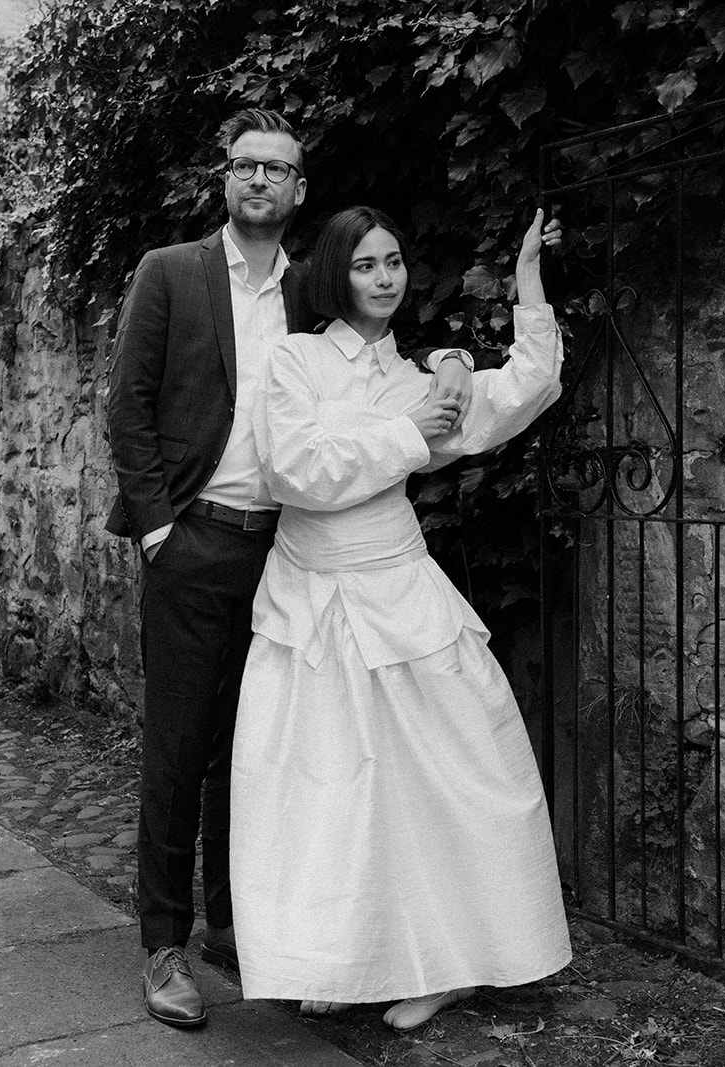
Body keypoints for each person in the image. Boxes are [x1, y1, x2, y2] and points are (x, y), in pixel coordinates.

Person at [105, 110, 474, 1029]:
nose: (259, 180)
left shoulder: (316, 287)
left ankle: (244, 925)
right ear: (225, 180)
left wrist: (458, 357)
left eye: (278, 169)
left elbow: (386, 356)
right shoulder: (172, 272)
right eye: (243, 166)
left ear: (300, 190)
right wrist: (159, 533)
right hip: (196, 541)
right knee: (180, 746)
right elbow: (128, 410)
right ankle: (163, 945)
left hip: (292, 549)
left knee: (262, 747)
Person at [230, 205, 573, 1031]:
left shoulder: (422, 377)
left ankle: (454, 962)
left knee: (453, 774)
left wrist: (527, 280)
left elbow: (521, 391)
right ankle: (341, 961)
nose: (385, 278)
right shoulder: (295, 359)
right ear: (334, 275)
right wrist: (406, 433)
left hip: (398, 589)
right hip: (311, 597)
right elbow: (294, 470)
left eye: (394, 262)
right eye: (365, 265)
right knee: (326, 787)